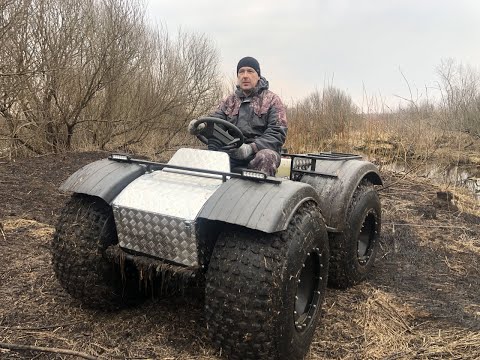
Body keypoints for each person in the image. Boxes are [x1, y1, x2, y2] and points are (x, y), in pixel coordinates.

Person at [188, 56, 287, 176]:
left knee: (265, 157)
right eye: (241, 72)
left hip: (260, 151)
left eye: (250, 71)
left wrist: (250, 148)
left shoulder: (272, 100)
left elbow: (277, 133)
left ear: (258, 76)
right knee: (199, 158)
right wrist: (201, 127)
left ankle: (257, 194)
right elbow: (216, 123)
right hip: (232, 151)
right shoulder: (229, 101)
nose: (245, 76)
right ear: (238, 76)